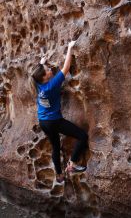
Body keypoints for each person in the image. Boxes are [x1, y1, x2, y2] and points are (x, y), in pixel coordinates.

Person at [28, 40, 88, 184]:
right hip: (55, 121)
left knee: (55, 146)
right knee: (82, 136)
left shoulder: (36, 83)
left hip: (43, 122)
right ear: (45, 77)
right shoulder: (51, 85)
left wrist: (41, 62)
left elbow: (35, 73)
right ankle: (72, 165)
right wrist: (69, 48)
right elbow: (66, 68)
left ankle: (59, 175)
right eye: (47, 70)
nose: (50, 70)